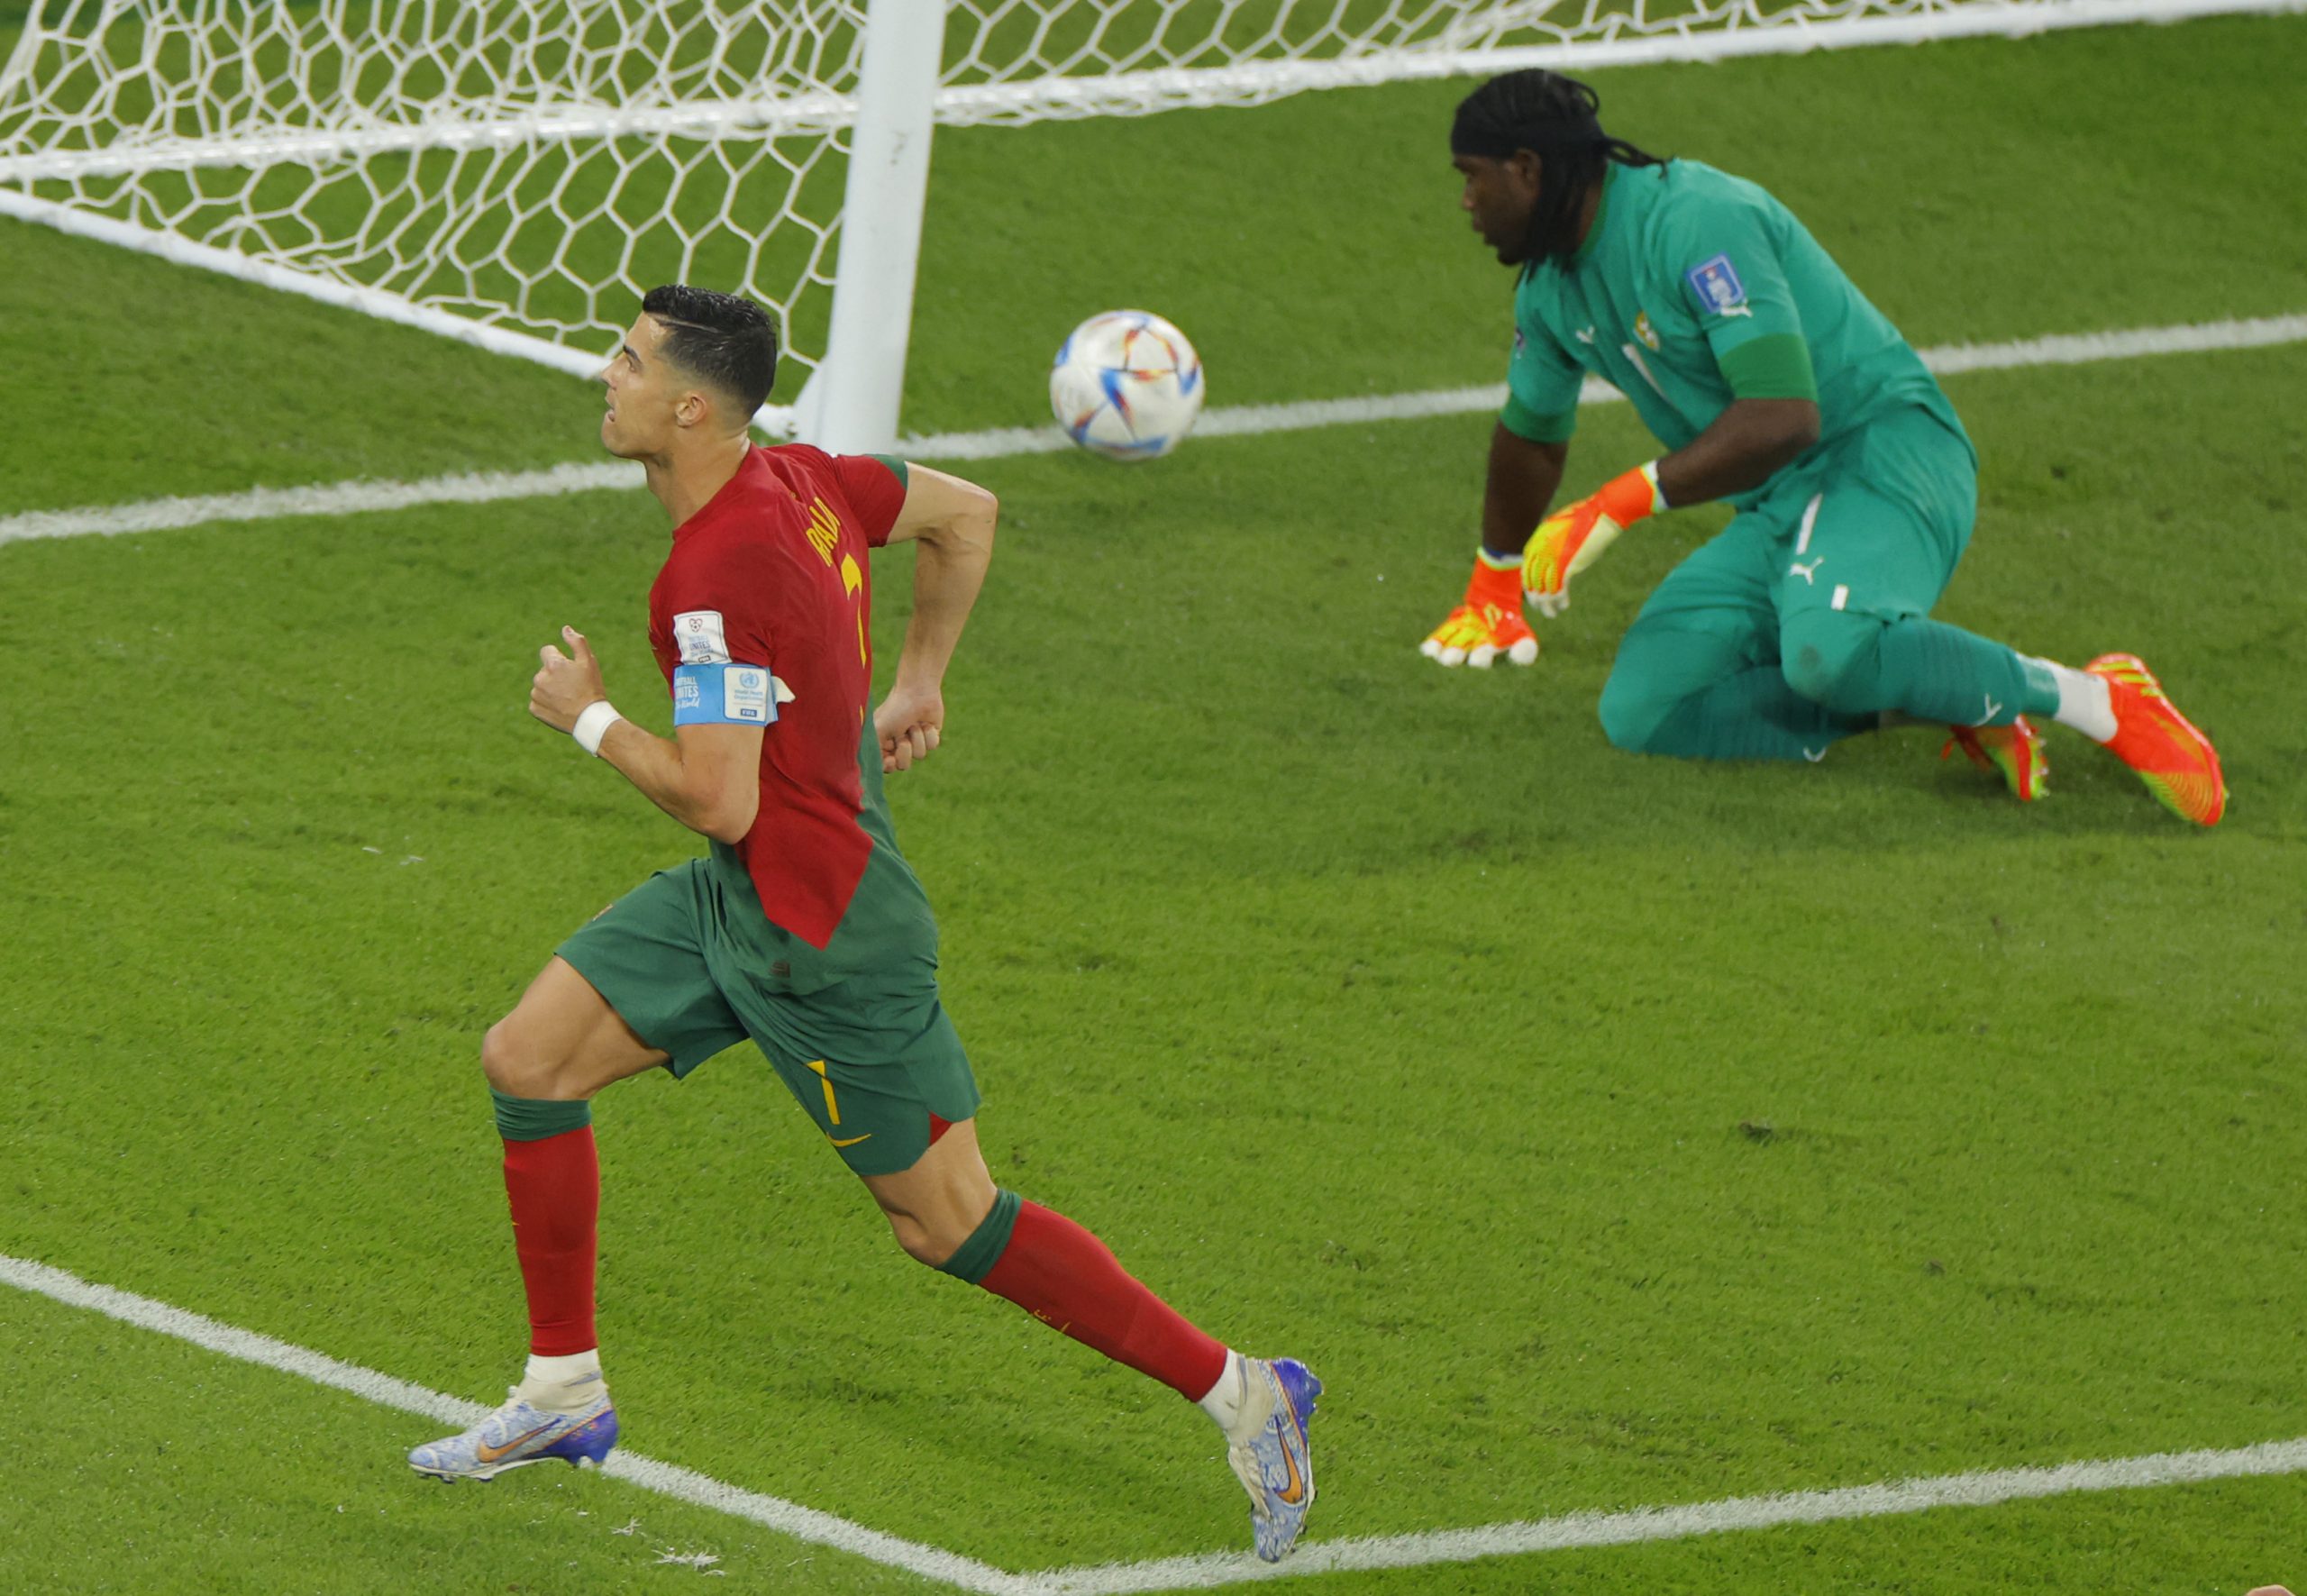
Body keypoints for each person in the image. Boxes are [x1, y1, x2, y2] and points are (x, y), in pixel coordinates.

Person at [406, 286, 1319, 1564]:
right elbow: (967, 514)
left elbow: (717, 796)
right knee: (528, 1057)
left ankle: (1245, 1388)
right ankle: (562, 1392)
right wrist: (922, 678)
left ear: (685, 404)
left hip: (824, 938)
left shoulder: (711, 573)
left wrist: (590, 719)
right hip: (745, 899)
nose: (604, 378)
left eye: (625, 361)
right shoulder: (808, 477)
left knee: (947, 1219)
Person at [1419, 69, 2226, 826]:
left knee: (1823, 653)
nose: (1464, 201)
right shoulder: (1553, 290)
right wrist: (1493, 583)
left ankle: (2098, 698)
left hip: (1884, 457)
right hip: (1780, 503)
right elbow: (1531, 434)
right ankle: (1950, 695)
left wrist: (1622, 500)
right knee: (1644, 709)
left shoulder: (1695, 221)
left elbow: (1785, 416)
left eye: (1471, 175)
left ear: (1526, 169)